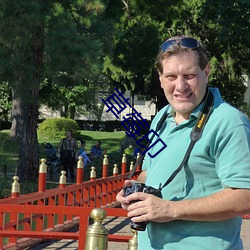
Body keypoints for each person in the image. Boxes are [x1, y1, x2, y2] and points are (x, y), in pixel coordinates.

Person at [116, 36, 250, 250]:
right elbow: (150, 171)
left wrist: (171, 209)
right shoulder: (161, 118)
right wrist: (135, 192)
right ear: (160, 78)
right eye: (171, 76)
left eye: (189, 75)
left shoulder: (228, 121)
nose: (180, 86)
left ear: (206, 73)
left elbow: (244, 196)